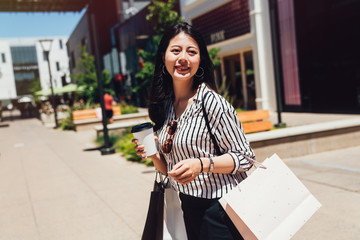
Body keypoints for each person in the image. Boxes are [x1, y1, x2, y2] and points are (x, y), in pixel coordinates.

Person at [133, 22, 256, 240]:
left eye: (192, 52)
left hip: (221, 211)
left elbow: (245, 158)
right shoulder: (167, 106)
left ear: (200, 60)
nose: (183, 58)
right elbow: (169, 172)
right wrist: (153, 153)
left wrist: (200, 164)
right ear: (164, 57)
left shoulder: (211, 102)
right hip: (188, 207)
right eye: (176, 50)